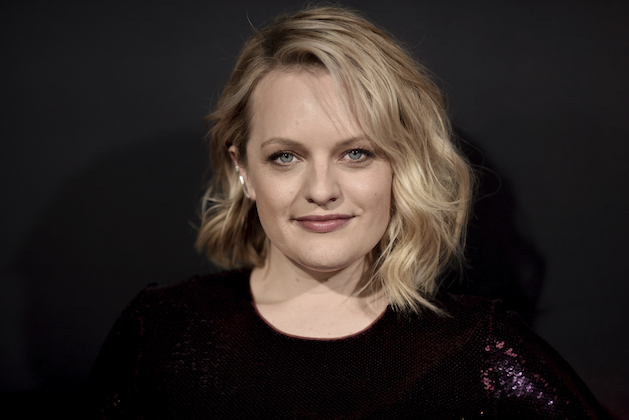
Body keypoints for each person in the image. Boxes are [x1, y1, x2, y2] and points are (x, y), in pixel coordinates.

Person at [89, 6, 609, 419]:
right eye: (285, 157)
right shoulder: (160, 332)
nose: (321, 190)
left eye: (356, 153)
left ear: (400, 165)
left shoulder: (477, 349)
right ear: (243, 168)